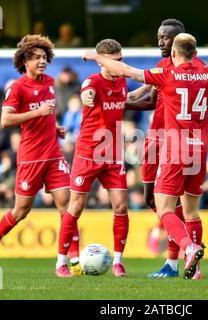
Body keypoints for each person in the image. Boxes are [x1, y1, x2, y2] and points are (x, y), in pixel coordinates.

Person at [83, 33, 208, 280]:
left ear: (173, 54)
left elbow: (126, 70)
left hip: (175, 149)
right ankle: (195, 270)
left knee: (164, 207)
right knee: (191, 212)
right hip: (200, 150)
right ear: (196, 52)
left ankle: (189, 249)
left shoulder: (167, 75)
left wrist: (97, 57)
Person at [125, 18, 208, 278]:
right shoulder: (164, 66)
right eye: (159, 36)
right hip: (156, 138)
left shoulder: (192, 67)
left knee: (171, 203)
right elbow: (151, 98)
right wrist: (126, 102)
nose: (160, 41)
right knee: (151, 198)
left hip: (173, 142)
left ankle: (175, 261)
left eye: (166, 37)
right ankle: (187, 244)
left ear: (178, 41)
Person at [0, 35, 71, 274]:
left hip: (53, 155)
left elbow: (47, 115)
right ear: (25, 61)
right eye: (36, 57)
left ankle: (69, 262)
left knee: (68, 207)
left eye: (44, 57)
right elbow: (5, 120)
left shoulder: (50, 81)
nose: (42, 61)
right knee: (21, 211)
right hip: (30, 158)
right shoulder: (17, 88)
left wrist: (55, 127)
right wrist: (38, 112)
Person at [56, 39, 140, 278]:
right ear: (103, 62)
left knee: (121, 205)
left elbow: (127, 99)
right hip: (88, 152)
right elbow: (87, 93)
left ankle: (118, 262)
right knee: (76, 207)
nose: (120, 64)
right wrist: (87, 98)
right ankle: (61, 262)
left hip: (113, 152)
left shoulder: (123, 81)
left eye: (121, 60)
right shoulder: (92, 82)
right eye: (116, 61)